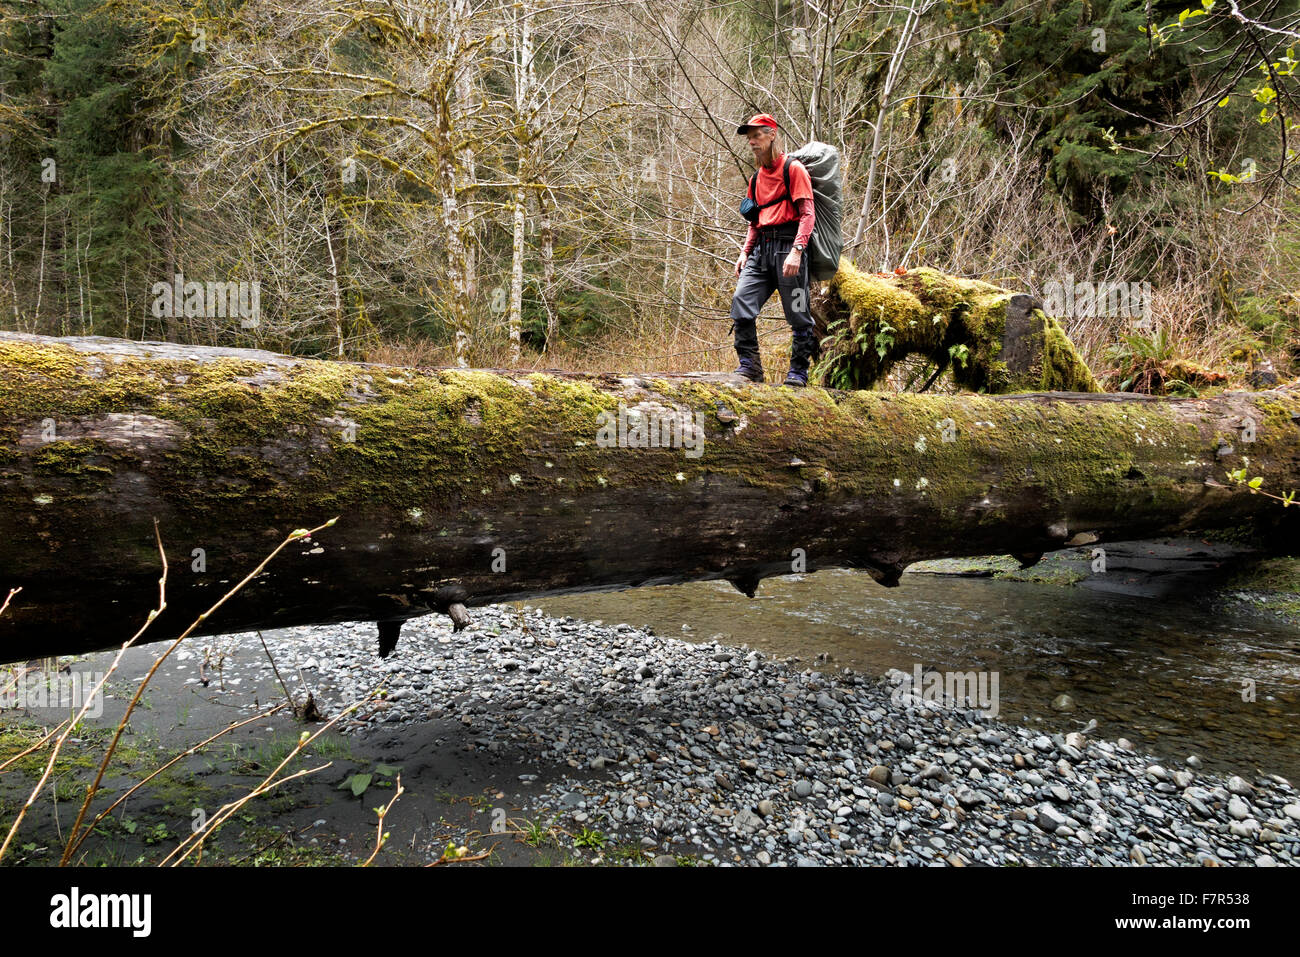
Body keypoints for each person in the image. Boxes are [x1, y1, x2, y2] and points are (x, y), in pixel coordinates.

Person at [729, 113, 817, 387]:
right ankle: (750, 366)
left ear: (772, 135)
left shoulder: (794, 170)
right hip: (761, 250)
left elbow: (807, 213)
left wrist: (797, 250)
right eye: (749, 138)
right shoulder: (756, 179)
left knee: (799, 312)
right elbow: (755, 220)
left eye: (756, 136)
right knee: (741, 302)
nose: (752, 142)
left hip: (789, 249)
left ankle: (798, 373)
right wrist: (745, 252)